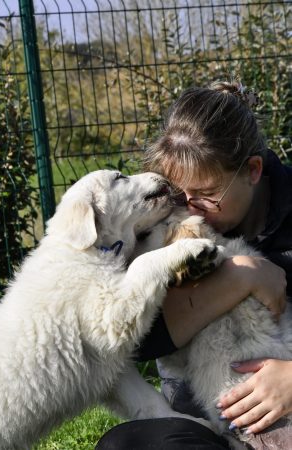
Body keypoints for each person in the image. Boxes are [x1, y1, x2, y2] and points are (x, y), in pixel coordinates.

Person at [95, 80, 292, 449]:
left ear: (252, 170)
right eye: (178, 194)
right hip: (205, 421)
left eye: (205, 195)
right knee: (125, 445)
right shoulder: (161, 223)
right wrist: (240, 276)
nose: (188, 208)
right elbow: (139, 342)